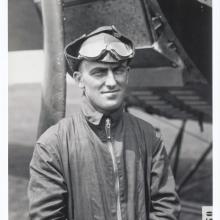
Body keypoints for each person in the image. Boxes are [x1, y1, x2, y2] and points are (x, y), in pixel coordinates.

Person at [28, 25, 181, 220]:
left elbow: (166, 208)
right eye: (99, 72)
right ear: (79, 79)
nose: (111, 82)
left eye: (118, 71)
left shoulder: (149, 137)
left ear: (127, 73)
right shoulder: (52, 145)